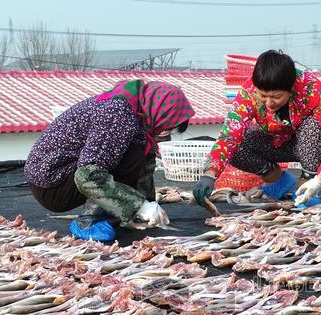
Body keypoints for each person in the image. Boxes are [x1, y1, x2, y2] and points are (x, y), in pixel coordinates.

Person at [25, 80, 195, 241]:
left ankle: (113, 209)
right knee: (131, 153)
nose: (165, 133)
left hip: (64, 174)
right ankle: (87, 221)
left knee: (136, 149)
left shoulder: (136, 111)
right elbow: (87, 176)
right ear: (160, 112)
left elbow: (144, 163)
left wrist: (147, 205)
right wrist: (138, 206)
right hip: (52, 183)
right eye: (166, 128)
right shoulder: (117, 114)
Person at [193, 50, 321, 209]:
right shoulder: (249, 92)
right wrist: (210, 174)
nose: (269, 103)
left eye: (276, 97)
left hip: (313, 145)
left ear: (291, 88)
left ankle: (306, 185)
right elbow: (229, 134)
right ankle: (279, 181)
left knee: (313, 125)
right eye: (263, 96)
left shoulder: (312, 89)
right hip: (277, 142)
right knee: (237, 143)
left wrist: (320, 179)